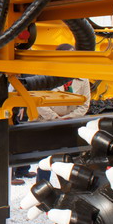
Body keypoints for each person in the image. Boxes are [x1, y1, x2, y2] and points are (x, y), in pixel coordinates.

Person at [35, 43, 91, 183]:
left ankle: (67, 186)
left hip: (70, 124)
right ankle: (42, 185)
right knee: (47, 156)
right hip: (48, 122)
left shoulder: (83, 78)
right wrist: (54, 118)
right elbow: (38, 101)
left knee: (68, 157)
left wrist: (68, 118)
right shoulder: (45, 76)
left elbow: (85, 104)